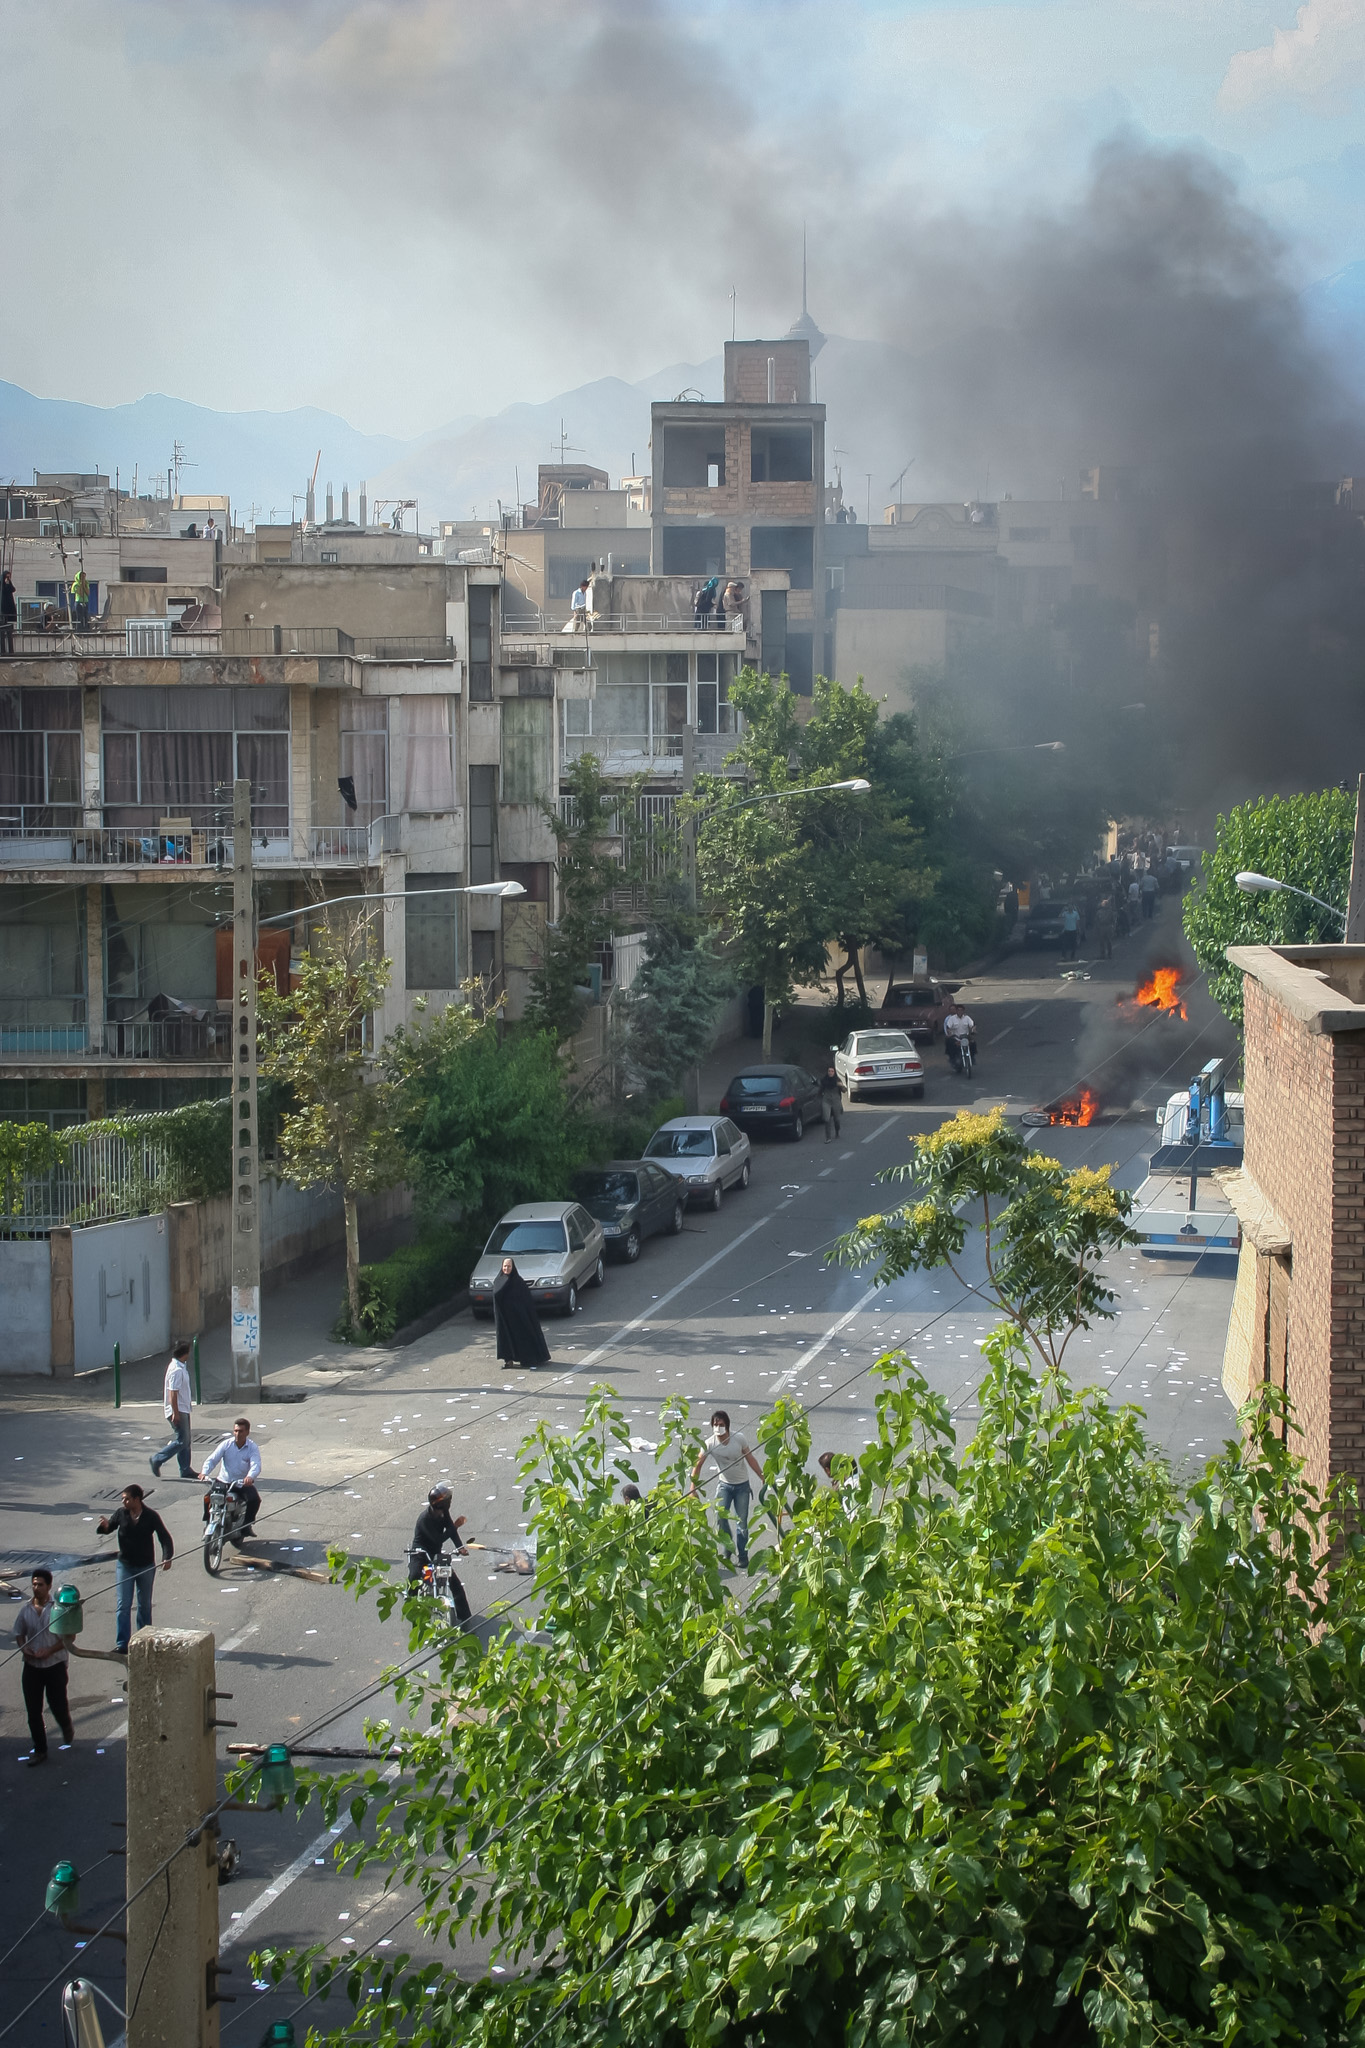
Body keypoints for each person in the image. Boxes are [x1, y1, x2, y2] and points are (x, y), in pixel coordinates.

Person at [97, 1485, 173, 1652]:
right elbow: (110, 1527)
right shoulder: (121, 1513)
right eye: (123, 1499)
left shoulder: (151, 1516)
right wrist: (105, 1526)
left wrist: (167, 1557)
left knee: (144, 1606)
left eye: (127, 1499)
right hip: (125, 1566)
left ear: (137, 1499)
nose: (123, 1502)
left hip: (145, 1567)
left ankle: (144, 1641)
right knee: (123, 1606)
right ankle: (122, 1644)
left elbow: (164, 1537)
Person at [690, 1410, 763, 1572]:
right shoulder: (709, 1443)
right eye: (715, 1425)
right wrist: (692, 1488)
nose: (718, 1428)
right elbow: (698, 1465)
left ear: (727, 1426)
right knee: (720, 1516)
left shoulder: (739, 1438)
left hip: (742, 1486)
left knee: (741, 1523)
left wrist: (762, 1476)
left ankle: (743, 1556)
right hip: (724, 1485)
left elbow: (750, 1458)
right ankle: (728, 1547)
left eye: (721, 1425)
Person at [14, 1568, 74, 1766]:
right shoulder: (25, 1610)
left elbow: (69, 1637)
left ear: (49, 1586)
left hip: (54, 1665)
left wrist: (49, 1650)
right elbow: (19, 1633)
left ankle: (66, 1724)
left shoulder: (58, 1609)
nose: (36, 1588)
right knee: (33, 1711)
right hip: (32, 1667)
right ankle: (40, 1750)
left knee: (57, 1704)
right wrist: (24, 1648)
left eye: (40, 1584)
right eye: (34, 1584)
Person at [407, 1483, 472, 1619]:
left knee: (454, 1582)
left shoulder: (444, 1514)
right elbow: (438, 1539)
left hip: (435, 1553)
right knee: (414, 1576)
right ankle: (410, 1602)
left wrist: (460, 1547)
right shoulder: (425, 1519)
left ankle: (465, 1616)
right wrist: (455, 1526)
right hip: (420, 1552)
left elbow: (451, 1531)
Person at [201, 1417, 262, 1539]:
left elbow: (256, 1464)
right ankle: (208, 1523)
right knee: (207, 1498)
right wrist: (204, 1473)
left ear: (247, 1432)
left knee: (254, 1500)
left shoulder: (252, 1447)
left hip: (240, 1483)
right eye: (235, 1431)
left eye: (241, 1431)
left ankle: (246, 1526)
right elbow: (213, 1459)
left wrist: (250, 1477)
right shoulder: (226, 1444)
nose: (237, 1434)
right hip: (223, 1481)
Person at [493, 1257, 551, 1369]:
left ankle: (527, 1359)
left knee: (521, 1338)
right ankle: (508, 1360)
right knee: (505, 1338)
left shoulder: (518, 1282)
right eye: (505, 1266)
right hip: (504, 1318)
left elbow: (525, 1300)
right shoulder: (498, 1281)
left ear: (513, 1267)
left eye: (509, 1266)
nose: (506, 1268)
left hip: (518, 1317)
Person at [150, 1339, 195, 1479]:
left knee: (186, 1441)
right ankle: (157, 1459)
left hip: (183, 1408)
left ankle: (185, 1469)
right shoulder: (176, 1370)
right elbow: (173, 1393)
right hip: (178, 1410)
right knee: (182, 1440)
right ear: (185, 1353)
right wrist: (176, 1413)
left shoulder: (180, 1366)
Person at [944, 1002, 976, 1070]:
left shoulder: (967, 1018)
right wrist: (949, 1034)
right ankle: (952, 1059)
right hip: (956, 1038)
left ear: (963, 1011)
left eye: (961, 1010)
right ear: (956, 1011)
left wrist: (973, 1030)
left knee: (973, 1043)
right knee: (949, 1043)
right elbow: (948, 1027)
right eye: (958, 1010)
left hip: (965, 1037)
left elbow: (972, 1025)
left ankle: (972, 1057)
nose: (960, 1011)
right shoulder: (952, 1019)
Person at [820, 1064, 843, 1141]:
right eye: (829, 1071)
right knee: (826, 1119)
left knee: (837, 1120)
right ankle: (828, 1137)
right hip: (826, 1101)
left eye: (832, 1071)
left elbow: (844, 1090)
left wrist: (840, 1085)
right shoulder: (824, 1080)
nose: (830, 1073)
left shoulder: (837, 1080)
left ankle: (837, 1132)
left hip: (836, 1101)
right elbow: (820, 1091)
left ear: (834, 1072)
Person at [0, 569, 16, 655]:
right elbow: (3, 590)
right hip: (3, 607)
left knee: (9, 630)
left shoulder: (8, 583)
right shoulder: (2, 584)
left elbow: (13, 589)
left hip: (9, 607)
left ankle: (10, 651)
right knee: (2, 631)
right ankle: (2, 651)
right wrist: (5, 584)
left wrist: (8, 583)